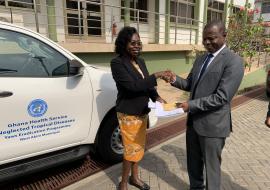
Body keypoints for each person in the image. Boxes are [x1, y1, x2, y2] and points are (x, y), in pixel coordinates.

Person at [165, 20, 244, 190]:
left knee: (212, 169)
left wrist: (190, 105)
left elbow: (222, 97)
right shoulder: (201, 59)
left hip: (213, 126)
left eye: (212, 38)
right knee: (193, 164)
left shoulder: (234, 61)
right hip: (193, 123)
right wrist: (174, 79)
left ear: (224, 35)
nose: (207, 42)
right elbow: (190, 84)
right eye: (204, 39)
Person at [110, 26, 168, 190]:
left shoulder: (140, 61)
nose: (137, 46)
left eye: (139, 43)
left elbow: (147, 86)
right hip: (128, 113)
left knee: (138, 147)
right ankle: (123, 184)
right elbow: (133, 87)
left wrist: (156, 97)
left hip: (142, 111)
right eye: (133, 43)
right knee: (131, 149)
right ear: (123, 44)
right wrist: (156, 75)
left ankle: (134, 178)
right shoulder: (117, 63)